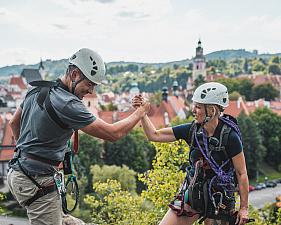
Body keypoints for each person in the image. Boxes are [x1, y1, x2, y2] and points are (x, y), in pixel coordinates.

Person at [7, 48, 150, 225]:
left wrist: (28, 154)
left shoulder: (37, 89)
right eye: (89, 84)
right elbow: (113, 134)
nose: (90, 91)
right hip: (36, 179)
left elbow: (13, 123)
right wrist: (141, 112)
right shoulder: (68, 104)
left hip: (18, 172)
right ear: (74, 74)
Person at [133, 82, 249, 225]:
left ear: (212, 110)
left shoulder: (230, 137)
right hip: (194, 194)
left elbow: (241, 173)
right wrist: (142, 113)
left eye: (198, 107)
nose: (193, 110)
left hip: (220, 200)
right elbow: (154, 135)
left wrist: (244, 208)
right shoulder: (191, 130)